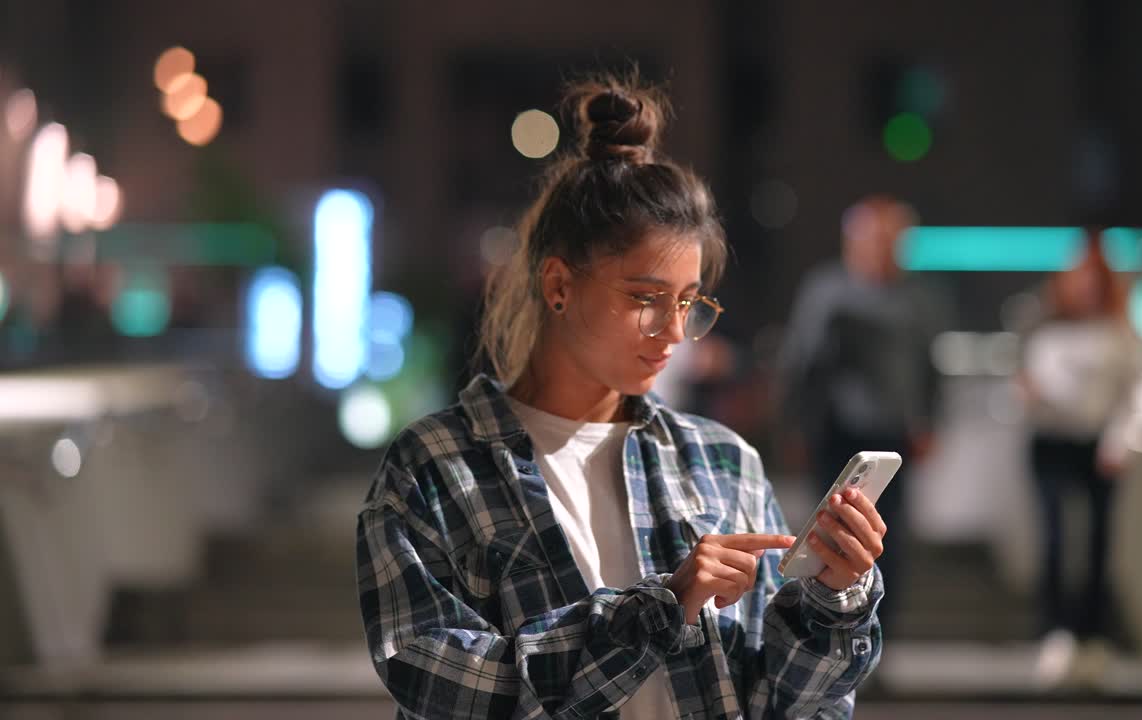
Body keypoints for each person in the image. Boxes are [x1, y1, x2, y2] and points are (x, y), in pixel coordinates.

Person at [356, 75, 887, 719]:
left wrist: (832, 597)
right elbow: (440, 685)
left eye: (689, 303)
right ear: (559, 284)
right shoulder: (435, 468)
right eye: (645, 298)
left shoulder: (721, 462)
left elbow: (788, 704)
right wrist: (659, 609)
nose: (673, 332)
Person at [776, 194, 946, 637]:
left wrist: (930, 424)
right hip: (834, 431)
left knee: (888, 538)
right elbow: (800, 364)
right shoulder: (826, 290)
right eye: (872, 238)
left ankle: (878, 635)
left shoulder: (919, 297)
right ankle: (823, 630)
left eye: (891, 239)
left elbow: (931, 368)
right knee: (827, 535)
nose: (881, 247)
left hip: (894, 435)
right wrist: (794, 426)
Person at [1018, 229, 1138, 684]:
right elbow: (1031, 386)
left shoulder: (1119, 332)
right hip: (1051, 441)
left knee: (1097, 543)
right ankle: (1055, 632)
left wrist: (1118, 441)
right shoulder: (1044, 326)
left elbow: (1130, 395)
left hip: (1098, 447)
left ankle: (1093, 635)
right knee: (1054, 539)